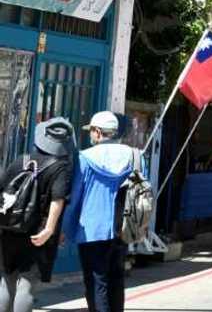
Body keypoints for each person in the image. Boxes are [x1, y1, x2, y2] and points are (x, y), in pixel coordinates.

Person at [61, 111, 137, 312]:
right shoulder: (133, 156)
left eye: (91, 131)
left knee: (97, 283)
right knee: (116, 280)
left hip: (92, 230)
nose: (90, 136)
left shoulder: (85, 158)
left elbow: (75, 197)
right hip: (123, 227)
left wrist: (65, 228)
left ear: (97, 131)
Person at [0, 117, 75, 312]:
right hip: (36, 235)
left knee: (7, 279)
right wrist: (49, 230)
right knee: (26, 284)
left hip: (9, 231)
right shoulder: (60, 168)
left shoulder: (20, 160)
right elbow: (57, 200)